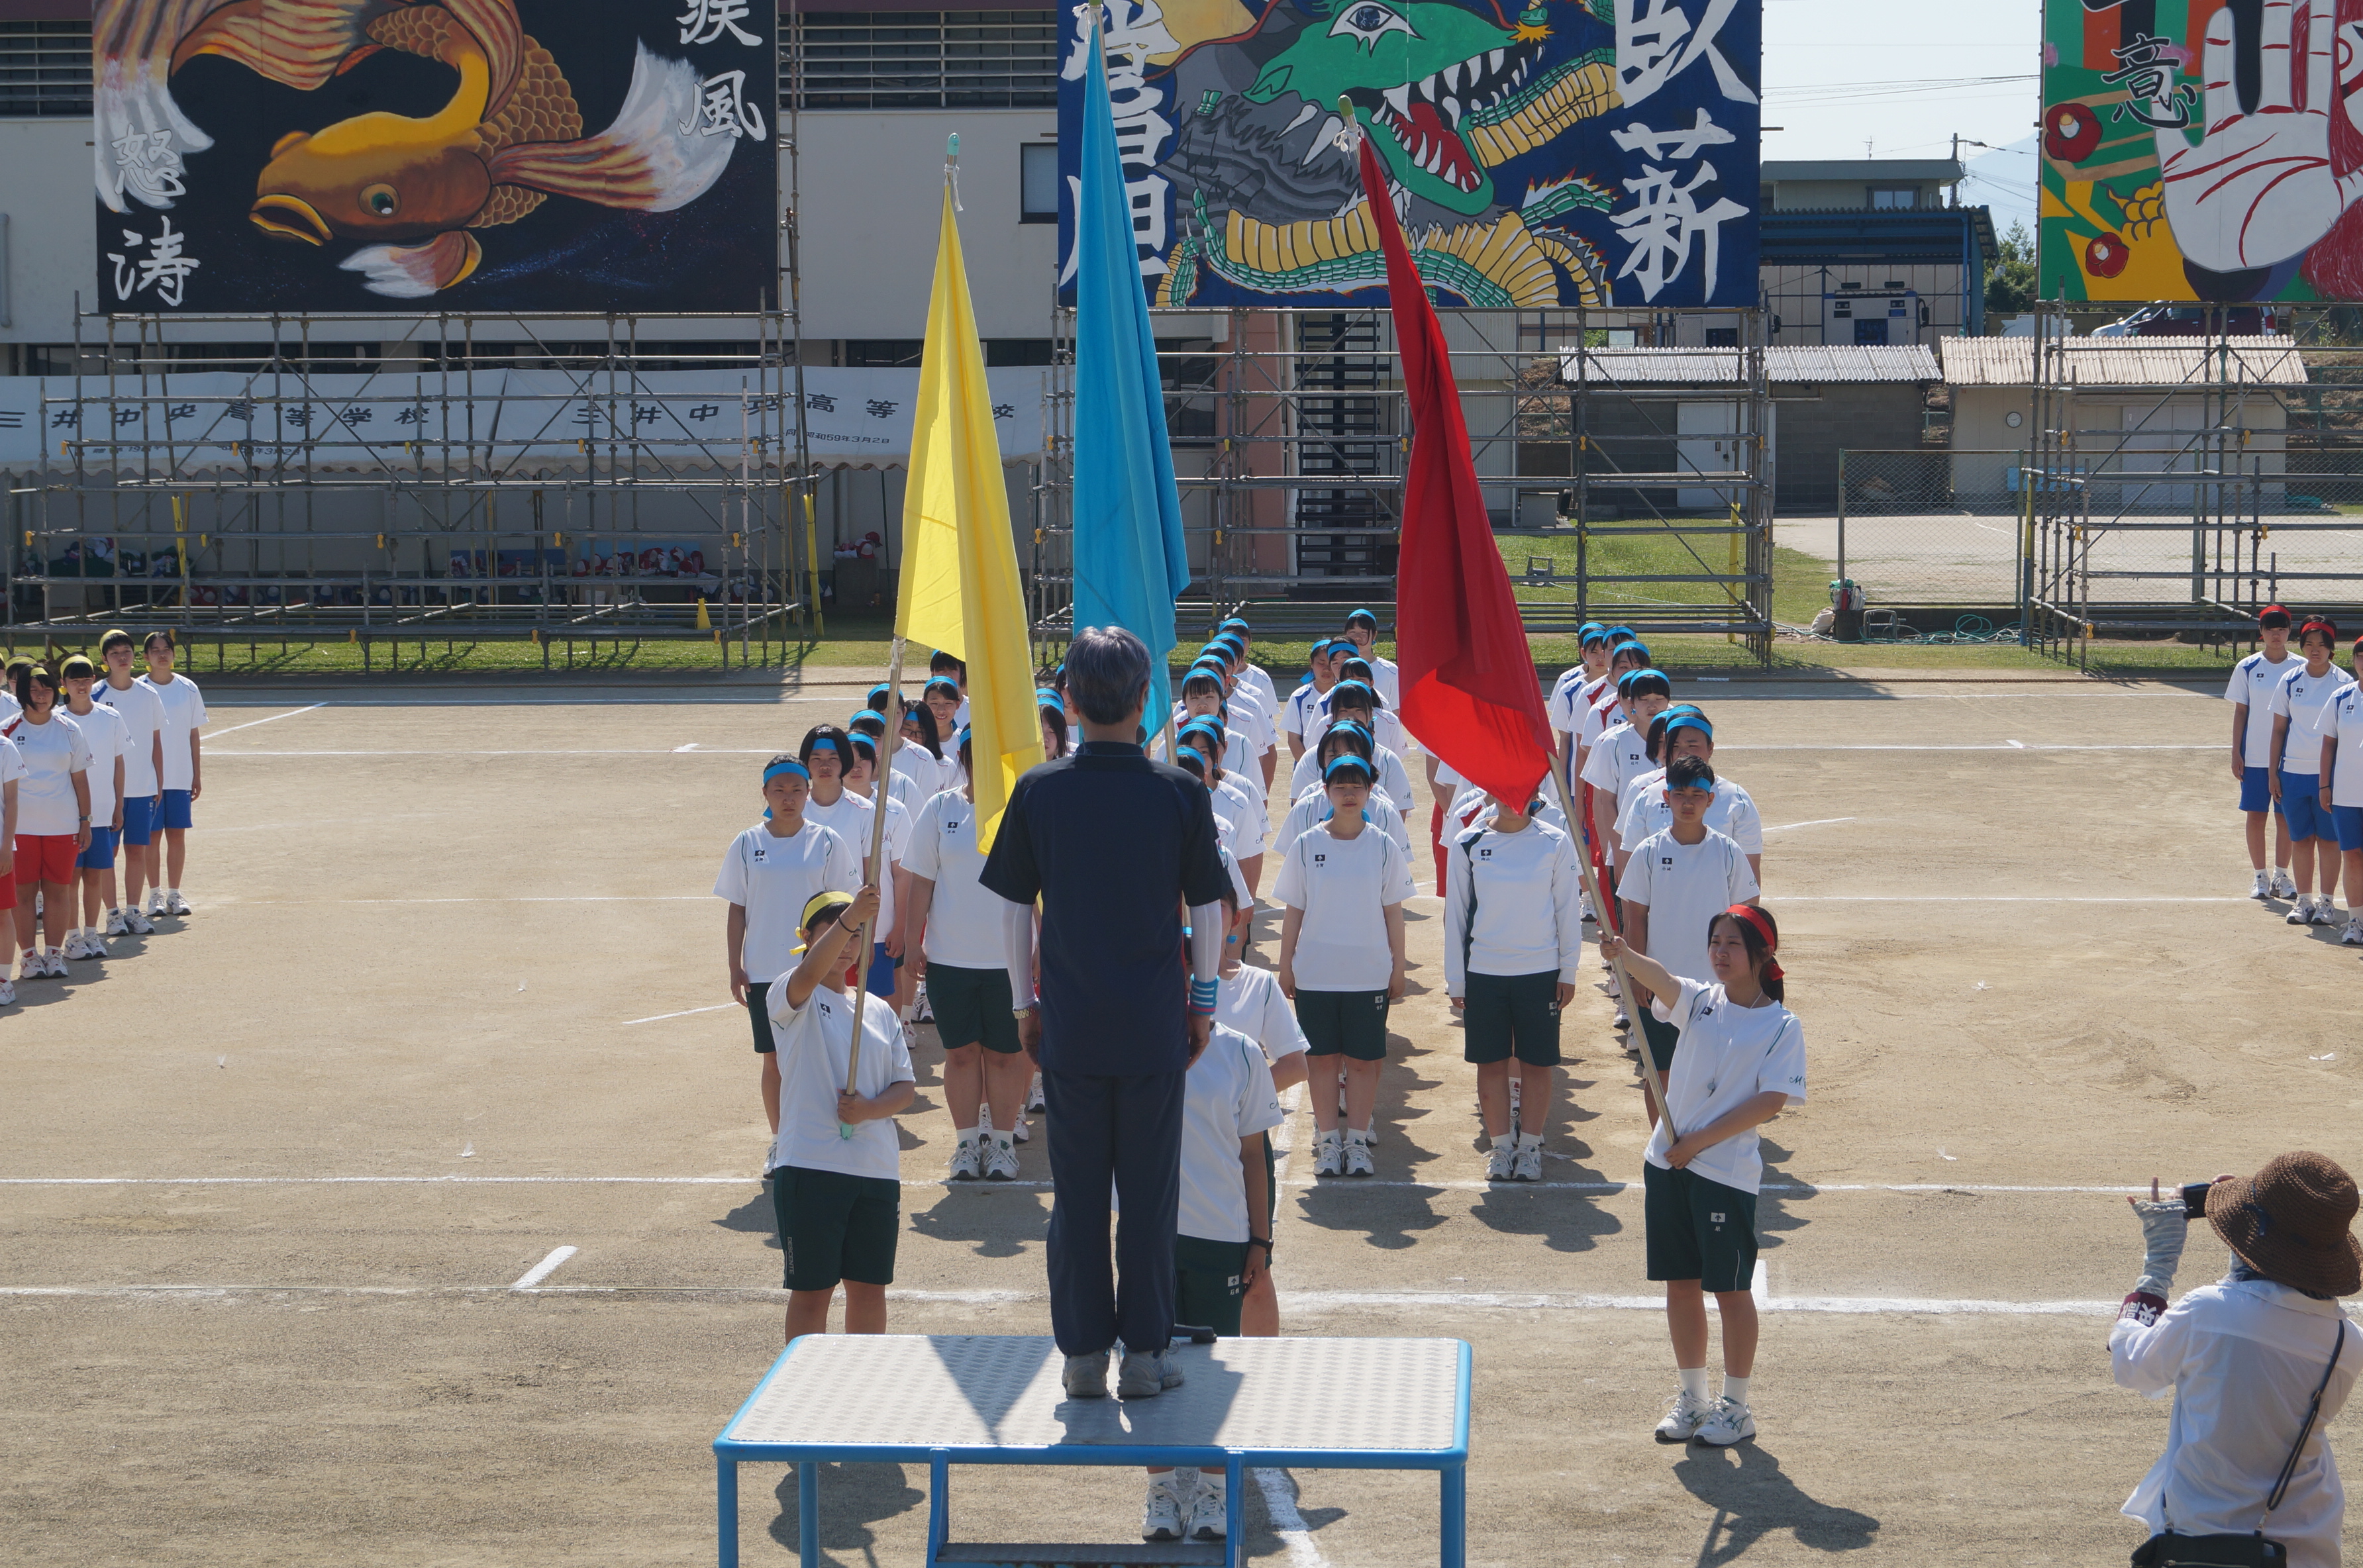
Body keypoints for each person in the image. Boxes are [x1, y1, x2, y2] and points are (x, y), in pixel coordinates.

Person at [981, 625, 1230, 1401]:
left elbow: (1012, 909)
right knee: (1151, 1194)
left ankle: (1084, 1354)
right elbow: (1210, 906)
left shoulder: (1040, 789)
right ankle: (1147, 1353)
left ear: (1072, 700)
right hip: (1156, 1022)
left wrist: (1024, 1001)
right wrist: (1204, 1000)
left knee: (1078, 1194)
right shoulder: (1180, 791)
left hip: (1070, 1025)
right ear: (1144, 698)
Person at [1599, 905, 1804, 1450]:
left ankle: (1736, 1408)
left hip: (1722, 1173)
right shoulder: (1701, 1001)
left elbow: (1771, 1102)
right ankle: (1693, 1398)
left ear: (1762, 954)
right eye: (1715, 941)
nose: (1720, 952)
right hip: (1669, 1163)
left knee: (1731, 1290)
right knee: (1680, 1284)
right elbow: (1662, 981)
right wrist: (1623, 954)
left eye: (1732, 943)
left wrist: (1698, 1141)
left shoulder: (1780, 1025)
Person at [2113, 1153, 2363, 1568]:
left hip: (2206, 1543)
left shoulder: (2207, 1313)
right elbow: (2267, 1317)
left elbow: (2132, 1367)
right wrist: (2249, 1240)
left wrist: (2158, 1266)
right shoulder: (2347, 1342)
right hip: (2308, 1546)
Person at [1138, 1010, 1283, 1547]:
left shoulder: (1241, 1051)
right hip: (1146, 1233)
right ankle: (1162, 1492)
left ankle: (1213, 1489)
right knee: (1148, 1362)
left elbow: (1254, 1155)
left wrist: (1260, 1242)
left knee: (1214, 1371)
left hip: (1220, 1235)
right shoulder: (1133, 1038)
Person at [766, 885, 917, 1344]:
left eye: (855, 935)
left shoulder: (878, 1012)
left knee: (870, 1290)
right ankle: (800, 1386)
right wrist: (852, 916)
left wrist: (870, 1109)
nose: (847, 943)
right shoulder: (792, 992)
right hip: (812, 1165)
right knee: (813, 1292)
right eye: (832, 929)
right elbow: (808, 975)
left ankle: (863, 1385)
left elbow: (905, 1088)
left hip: (875, 1168)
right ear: (807, 937)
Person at [1274, 753, 1414, 1179]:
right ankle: (1327, 1141)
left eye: (1357, 786)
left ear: (1371, 791)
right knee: (1320, 1061)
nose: (1349, 793)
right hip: (1316, 973)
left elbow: (1394, 913)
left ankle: (1356, 1142)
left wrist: (1397, 968)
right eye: (1340, 786)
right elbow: (1294, 911)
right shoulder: (1306, 844)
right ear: (1326, 792)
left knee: (1363, 1062)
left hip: (1368, 974)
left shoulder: (1383, 845)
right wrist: (1286, 968)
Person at [905, 729, 1036, 1182]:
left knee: (1005, 1054)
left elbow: (1043, 887)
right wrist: (911, 940)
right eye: (975, 754)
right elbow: (922, 878)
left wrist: (1042, 945)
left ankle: (1001, 1145)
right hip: (949, 960)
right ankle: (965, 1145)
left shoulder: (1024, 810)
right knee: (960, 1054)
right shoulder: (941, 808)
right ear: (964, 757)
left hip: (1010, 962)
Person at [715, 755, 863, 1146]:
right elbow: (737, 909)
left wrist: (851, 958)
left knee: (823, 1058)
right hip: (765, 971)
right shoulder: (748, 843)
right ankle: (782, 1142)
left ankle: (823, 1138)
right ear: (765, 793)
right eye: (778, 790)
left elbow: (847, 909)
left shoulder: (827, 841)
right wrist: (735, 966)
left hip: (820, 970)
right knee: (775, 1060)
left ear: (808, 793)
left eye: (797, 790)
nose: (788, 798)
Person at [1445, 789, 1584, 1183]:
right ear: (1489, 792)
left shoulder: (1555, 842)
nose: (1510, 799)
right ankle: (1501, 1147)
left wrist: (1567, 971)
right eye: (1501, 790)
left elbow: (1567, 911)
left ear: (1536, 794)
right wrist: (1456, 976)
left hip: (1539, 973)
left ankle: (1529, 1149)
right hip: (1484, 973)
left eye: (1520, 790)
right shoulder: (1468, 841)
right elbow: (1455, 914)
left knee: (1537, 1064)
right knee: (1490, 1063)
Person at [1615, 757, 1760, 1103]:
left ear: (1711, 800)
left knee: (1717, 1076)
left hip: (1716, 988)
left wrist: (1743, 979)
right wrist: (1637, 977)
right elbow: (1636, 919)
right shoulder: (1649, 852)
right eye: (1680, 794)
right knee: (1661, 1074)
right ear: (1666, 799)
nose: (1689, 802)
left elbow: (1748, 915)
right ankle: (1663, 1152)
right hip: (1661, 984)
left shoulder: (1727, 851)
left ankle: (1707, 1150)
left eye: (1698, 793)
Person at [799, 726, 904, 1003]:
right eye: (816, 758)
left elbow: (873, 879)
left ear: (844, 762)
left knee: (865, 1011)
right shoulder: (793, 809)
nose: (825, 766)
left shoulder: (867, 811)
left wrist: (867, 936)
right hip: (805, 932)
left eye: (833, 758)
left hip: (852, 930)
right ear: (805, 763)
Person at [5, 666, 91, 981]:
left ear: (57, 692)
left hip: (63, 825)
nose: (41, 696)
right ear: (23, 692)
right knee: (24, 894)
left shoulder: (69, 729)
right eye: (35, 690)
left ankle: (54, 954)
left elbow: (80, 778)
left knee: (58, 891)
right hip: (21, 828)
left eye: (48, 690)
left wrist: (85, 821)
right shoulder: (6, 731)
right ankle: (29, 957)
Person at [1617, 710, 1764, 888]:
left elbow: (1750, 874)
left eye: (1692, 745)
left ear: (1710, 748)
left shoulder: (1737, 798)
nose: (1683, 753)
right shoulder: (1646, 794)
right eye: (1675, 746)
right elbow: (1630, 868)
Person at [2270, 620, 2353, 927]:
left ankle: (2327, 903)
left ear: (2332, 649)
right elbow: (2278, 729)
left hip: (2327, 779)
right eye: (2308, 644)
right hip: (2291, 774)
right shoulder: (2290, 680)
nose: (2314, 650)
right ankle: (2304, 901)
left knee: (2329, 841)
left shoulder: (2344, 684)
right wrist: (2273, 773)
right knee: (2300, 839)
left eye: (2321, 645)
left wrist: (2332, 780)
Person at [90, 630, 165, 935]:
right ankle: (112, 913)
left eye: (127, 652)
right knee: (108, 853)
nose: (122, 658)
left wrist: (159, 782)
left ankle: (133, 911)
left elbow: (156, 742)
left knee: (137, 850)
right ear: (105, 660)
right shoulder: (94, 694)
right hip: (107, 793)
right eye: (115, 653)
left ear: (135, 656)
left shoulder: (149, 694)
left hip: (142, 787)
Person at [59, 657, 129, 959]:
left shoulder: (110, 717)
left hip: (102, 811)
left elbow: (118, 764)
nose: (81, 684)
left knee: (94, 876)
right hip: (67, 817)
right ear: (63, 685)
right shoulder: (57, 720)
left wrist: (118, 805)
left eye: (86, 678)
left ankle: (91, 934)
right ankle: (72, 936)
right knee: (70, 879)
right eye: (74, 679)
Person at [2232, 606, 2303, 901]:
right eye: (2270, 628)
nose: (2276, 634)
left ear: (2289, 632)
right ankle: (2259, 876)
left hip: (2290, 758)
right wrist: (2236, 752)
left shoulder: (2300, 667)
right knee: (2256, 815)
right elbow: (2241, 712)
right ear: (2260, 633)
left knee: (2285, 818)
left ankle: (2281, 875)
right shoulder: (2247, 667)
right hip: (2256, 757)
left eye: (2282, 628)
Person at [134, 631, 203, 918]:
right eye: (155, 650)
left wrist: (196, 775)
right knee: (152, 836)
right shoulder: (138, 689)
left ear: (174, 654)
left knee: (177, 835)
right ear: (147, 656)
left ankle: (175, 893)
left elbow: (193, 733)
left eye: (166, 649)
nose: (162, 654)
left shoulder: (188, 688)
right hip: (149, 778)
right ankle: (155, 896)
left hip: (180, 776)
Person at [2313, 644, 2363, 948]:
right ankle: (2355, 921)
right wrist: (2324, 786)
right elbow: (2328, 745)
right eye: (2361, 656)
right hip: (2346, 794)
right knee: (2353, 857)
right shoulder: (2341, 697)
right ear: (2355, 660)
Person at [1340, 608, 1400, 709]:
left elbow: (1395, 712)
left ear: (1374, 635)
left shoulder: (1391, 671)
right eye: (1353, 632)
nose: (1358, 638)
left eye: (1364, 633)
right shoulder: (1337, 667)